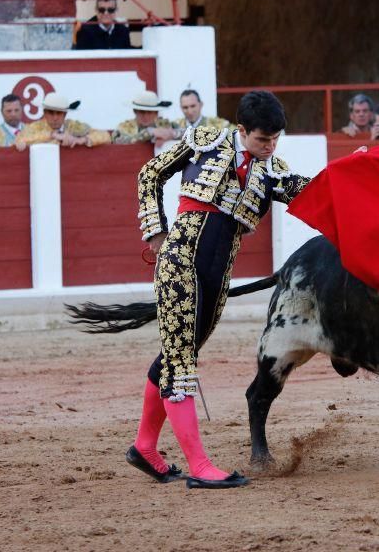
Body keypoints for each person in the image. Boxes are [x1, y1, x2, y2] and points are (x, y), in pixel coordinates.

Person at [129, 90, 310, 489]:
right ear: (242, 130)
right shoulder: (203, 143)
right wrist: (156, 232)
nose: (270, 146)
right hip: (181, 259)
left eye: (276, 139)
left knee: (180, 352)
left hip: (219, 271)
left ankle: (144, 446)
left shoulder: (271, 170)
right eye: (263, 140)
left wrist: (354, 168)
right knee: (181, 362)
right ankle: (199, 466)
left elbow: (312, 191)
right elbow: (150, 174)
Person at [14, 93, 111, 150]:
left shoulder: (74, 126)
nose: (55, 117)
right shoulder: (35, 127)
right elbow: (18, 141)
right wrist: (52, 135)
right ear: (45, 113)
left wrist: (82, 139)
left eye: (59, 113)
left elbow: (106, 136)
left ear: (65, 115)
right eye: (51, 113)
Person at [112, 90, 178, 148]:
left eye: (149, 112)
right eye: (141, 112)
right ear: (135, 111)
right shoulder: (124, 127)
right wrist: (149, 133)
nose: (145, 116)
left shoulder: (167, 125)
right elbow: (117, 142)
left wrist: (172, 134)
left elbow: (186, 134)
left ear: (156, 113)